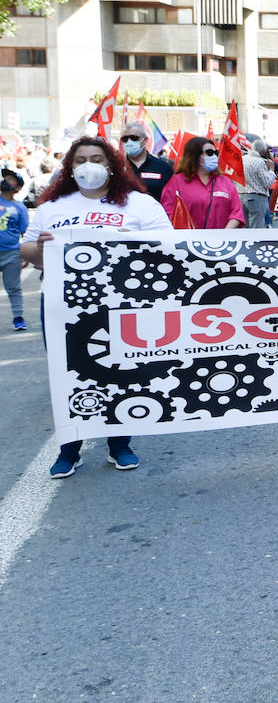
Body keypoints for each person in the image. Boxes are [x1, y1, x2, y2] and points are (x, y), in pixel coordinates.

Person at [19, 136, 172, 476]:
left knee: (119, 372)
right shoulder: (51, 208)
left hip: (120, 305)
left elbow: (167, 245)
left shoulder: (138, 205)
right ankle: (69, 449)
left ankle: (119, 444)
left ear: (111, 165)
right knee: (66, 373)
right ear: (70, 168)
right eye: (80, 159)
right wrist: (40, 252)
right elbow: (26, 251)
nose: (89, 165)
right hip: (62, 305)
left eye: (97, 158)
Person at [160, 136, 245, 229]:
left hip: (222, 240)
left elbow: (236, 213)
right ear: (195, 156)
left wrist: (225, 235)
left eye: (216, 153)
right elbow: (167, 213)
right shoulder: (176, 182)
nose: (214, 156)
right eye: (209, 153)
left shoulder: (225, 182)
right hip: (187, 240)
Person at [118, 122, 174, 201]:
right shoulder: (117, 167)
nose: (129, 142)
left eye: (134, 138)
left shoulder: (163, 167)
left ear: (145, 140)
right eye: (125, 139)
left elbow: (172, 197)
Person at [0, 176, 29, 330]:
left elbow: (25, 232)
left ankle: (18, 317)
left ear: (17, 188)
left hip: (11, 252)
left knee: (13, 287)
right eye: (5, 178)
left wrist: (26, 254)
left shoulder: (19, 207)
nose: (6, 181)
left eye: (11, 180)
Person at [240, 140, 276, 229]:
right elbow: (267, 183)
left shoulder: (242, 159)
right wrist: (271, 170)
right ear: (263, 151)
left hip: (241, 195)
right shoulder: (259, 162)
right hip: (256, 197)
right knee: (256, 228)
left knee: (244, 227)